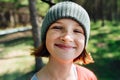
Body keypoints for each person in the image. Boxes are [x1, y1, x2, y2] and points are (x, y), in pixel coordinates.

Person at [31, 1, 97, 80]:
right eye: (57, 28)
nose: (67, 38)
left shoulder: (89, 77)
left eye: (77, 31)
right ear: (45, 36)